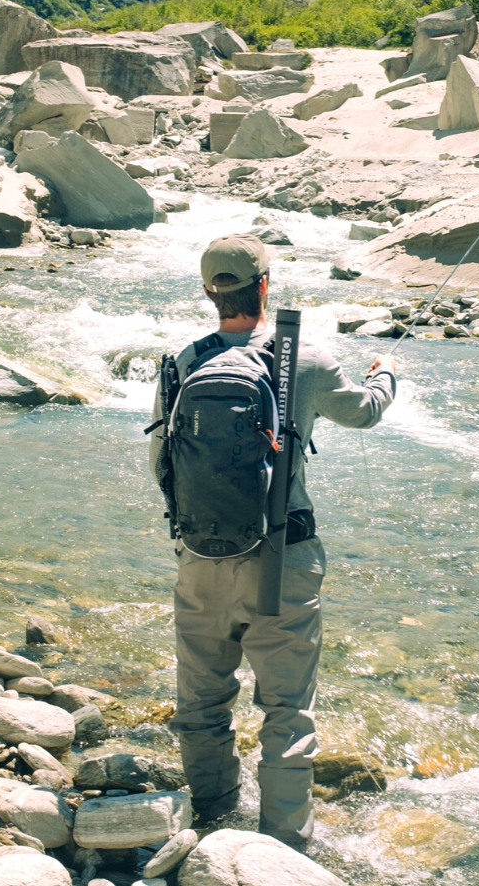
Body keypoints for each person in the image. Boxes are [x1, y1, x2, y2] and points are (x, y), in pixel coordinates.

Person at [149, 233, 396, 848]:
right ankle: (284, 847)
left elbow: (159, 459)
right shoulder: (304, 360)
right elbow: (365, 412)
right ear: (264, 286)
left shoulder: (184, 361)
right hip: (283, 558)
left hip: (201, 555)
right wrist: (387, 373)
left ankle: (210, 821)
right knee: (287, 712)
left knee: (202, 702)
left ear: (211, 292)